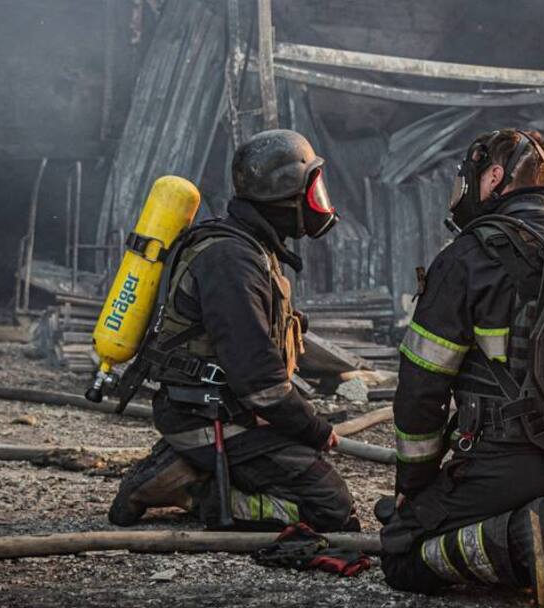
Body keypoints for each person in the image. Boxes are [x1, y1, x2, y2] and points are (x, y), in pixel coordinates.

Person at [378, 129, 544, 608]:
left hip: (506, 462)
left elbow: (420, 390)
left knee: (402, 552)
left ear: (493, 177)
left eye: (470, 179)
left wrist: (415, 482)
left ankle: (522, 537)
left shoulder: (469, 257)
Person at [108, 129, 359, 533]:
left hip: (229, 409)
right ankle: (191, 488)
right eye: (311, 190)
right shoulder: (232, 261)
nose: (318, 203)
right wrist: (314, 428)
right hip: (208, 416)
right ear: (284, 196)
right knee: (330, 508)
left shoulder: (251, 248)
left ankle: (186, 463)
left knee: (314, 480)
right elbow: (259, 380)